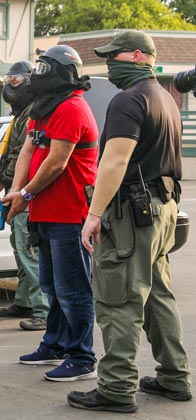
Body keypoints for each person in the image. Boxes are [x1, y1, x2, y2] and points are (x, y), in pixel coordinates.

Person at [67, 31, 192, 413]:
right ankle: (174, 377)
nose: (108, 64)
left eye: (113, 56)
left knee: (118, 300)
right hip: (163, 208)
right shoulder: (166, 100)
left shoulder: (129, 99)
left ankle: (117, 388)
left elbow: (115, 161)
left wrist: (94, 215)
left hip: (132, 215)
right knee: (158, 298)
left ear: (137, 55)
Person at [2, 45, 99, 382]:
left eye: (44, 68)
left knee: (73, 289)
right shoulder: (42, 109)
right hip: (44, 212)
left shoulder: (73, 109)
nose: (36, 74)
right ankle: (55, 344)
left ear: (61, 74)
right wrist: (17, 190)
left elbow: (57, 163)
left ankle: (82, 357)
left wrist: (26, 194)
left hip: (70, 214)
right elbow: (28, 150)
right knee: (52, 286)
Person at [0, 61, 47, 331]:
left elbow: (22, 154)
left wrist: (7, 180)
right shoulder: (21, 113)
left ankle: (43, 309)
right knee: (20, 249)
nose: (9, 86)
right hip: (16, 191)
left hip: (25, 193)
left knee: (29, 252)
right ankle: (24, 301)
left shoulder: (32, 113)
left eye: (15, 81)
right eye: (8, 80)